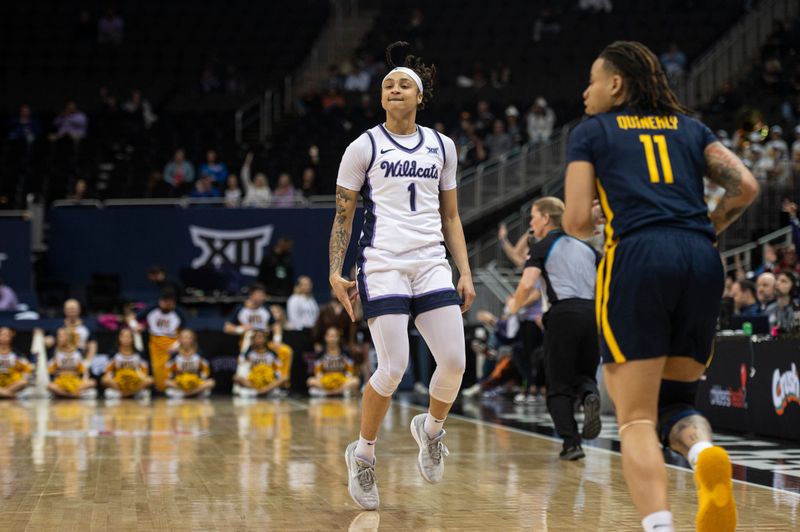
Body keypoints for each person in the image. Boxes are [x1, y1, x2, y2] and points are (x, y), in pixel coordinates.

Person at [562, 41, 758, 532]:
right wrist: (708, 225)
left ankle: (659, 525)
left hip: (639, 257)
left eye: (591, 80)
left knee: (635, 420)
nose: (585, 92)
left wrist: (602, 216)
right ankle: (703, 452)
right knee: (676, 404)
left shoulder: (592, 132)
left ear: (615, 84)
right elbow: (747, 187)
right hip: (700, 256)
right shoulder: (691, 129)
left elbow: (576, 222)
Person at [329, 41, 475, 510]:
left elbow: (451, 217)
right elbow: (342, 218)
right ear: (381, 98)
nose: (394, 89)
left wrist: (465, 273)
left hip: (431, 261)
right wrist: (337, 270)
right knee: (393, 367)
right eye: (387, 85)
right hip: (383, 262)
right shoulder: (363, 146)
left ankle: (430, 430)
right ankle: (364, 453)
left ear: (419, 96)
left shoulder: (442, 145)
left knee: (454, 363)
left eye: (403, 84)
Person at [507, 197, 602, 459]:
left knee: (558, 384)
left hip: (563, 315)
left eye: (534, 216)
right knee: (585, 374)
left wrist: (512, 309)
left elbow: (527, 285)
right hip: (593, 314)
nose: (531, 222)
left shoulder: (542, 247)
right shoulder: (587, 249)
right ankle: (589, 395)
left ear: (546, 218)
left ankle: (571, 444)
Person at [128, 290, 185, 392]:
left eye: (168, 302)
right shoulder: (152, 308)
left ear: (173, 303)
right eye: (163, 301)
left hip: (172, 342)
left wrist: (176, 345)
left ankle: (176, 388)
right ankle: (159, 389)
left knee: (173, 367)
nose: (165, 304)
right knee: (156, 368)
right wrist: (135, 326)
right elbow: (133, 318)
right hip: (155, 342)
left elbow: (185, 332)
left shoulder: (179, 313)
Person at [232, 329, 287, 397]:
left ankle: (259, 391)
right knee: (236, 377)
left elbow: (279, 365)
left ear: (265, 339)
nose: (258, 340)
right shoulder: (249, 352)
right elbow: (240, 361)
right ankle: (265, 391)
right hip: (253, 379)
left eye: (260, 337)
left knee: (284, 378)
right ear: (253, 339)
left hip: (268, 379)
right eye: (256, 337)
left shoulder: (271, 353)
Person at [307, 327, 360, 397]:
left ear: (338, 338)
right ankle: (340, 392)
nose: (332, 339)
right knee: (310, 381)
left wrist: (344, 379)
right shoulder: (321, 354)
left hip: (341, 380)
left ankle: (328, 393)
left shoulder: (345, 353)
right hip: (326, 380)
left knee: (356, 381)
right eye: (330, 336)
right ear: (325, 337)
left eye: (334, 336)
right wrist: (324, 381)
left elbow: (350, 371)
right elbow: (318, 372)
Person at [101, 328, 153, 400]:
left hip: (134, 380)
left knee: (150, 380)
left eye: (129, 337)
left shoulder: (138, 354)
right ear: (119, 338)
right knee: (105, 380)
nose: (126, 339)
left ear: (133, 339)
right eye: (124, 337)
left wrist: (143, 376)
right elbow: (108, 370)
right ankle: (130, 394)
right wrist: (108, 376)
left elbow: (144, 370)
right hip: (119, 381)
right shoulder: (113, 354)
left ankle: (124, 394)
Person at [47, 328, 96, 399]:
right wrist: (60, 373)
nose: (58, 339)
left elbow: (83, 370)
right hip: (61, 381)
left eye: (61, 336)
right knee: (49, 386)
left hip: (75, 380)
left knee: (92, 382)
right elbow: (51, 370)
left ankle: (64, 394)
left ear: (68, 338)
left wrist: (85, 379)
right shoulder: (56, 354)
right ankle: (73, 395)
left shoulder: (77, 354)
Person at [165, 330, 215, 399]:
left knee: (211, 382)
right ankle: (191, 393)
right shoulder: (175, 355)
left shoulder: (199, 353)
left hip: (195, 383)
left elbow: (206, 371)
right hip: (180, 383)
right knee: (167, 382)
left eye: (189, 338)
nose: (186, 340)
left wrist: (198, 377)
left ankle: (189, 393)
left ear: (193, 339)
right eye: (184, 338)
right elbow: (169, 372)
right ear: (180, 339)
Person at [0, 327, 32, 399]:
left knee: (23, 382)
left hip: (11, 382)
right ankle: (11, 395)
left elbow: (28, 368)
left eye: (7, 335)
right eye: (2, 335)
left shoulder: (16, 354)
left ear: (11, 337)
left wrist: (25, 377)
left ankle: (3, 394)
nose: (4, 337)